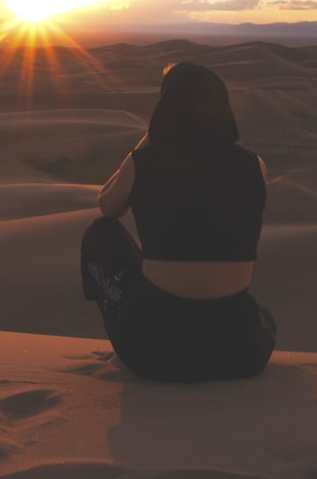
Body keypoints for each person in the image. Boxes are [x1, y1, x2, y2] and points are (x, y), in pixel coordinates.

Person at [80, 62, 276, 382]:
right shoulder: (255, 166)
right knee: (262, 316)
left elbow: (107, 207)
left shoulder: (142, 164)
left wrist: (149, 138)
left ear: (165, 108)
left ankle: (124, 332)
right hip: (241, 352)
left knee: (101, 233)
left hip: (153, 352)